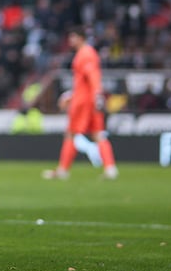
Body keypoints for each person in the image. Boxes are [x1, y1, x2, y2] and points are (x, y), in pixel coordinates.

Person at [44, 28, 119, 181]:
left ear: (80, 38)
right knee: (98, 134)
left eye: (73, 37)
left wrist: (95, 94)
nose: (70, 40)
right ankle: (110, 168)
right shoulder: (87, 53)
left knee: (71, 133)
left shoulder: (85, 54)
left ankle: (63, 170)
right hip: (89, 99)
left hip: (84, 102)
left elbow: (92, 75)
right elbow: (86, 81)